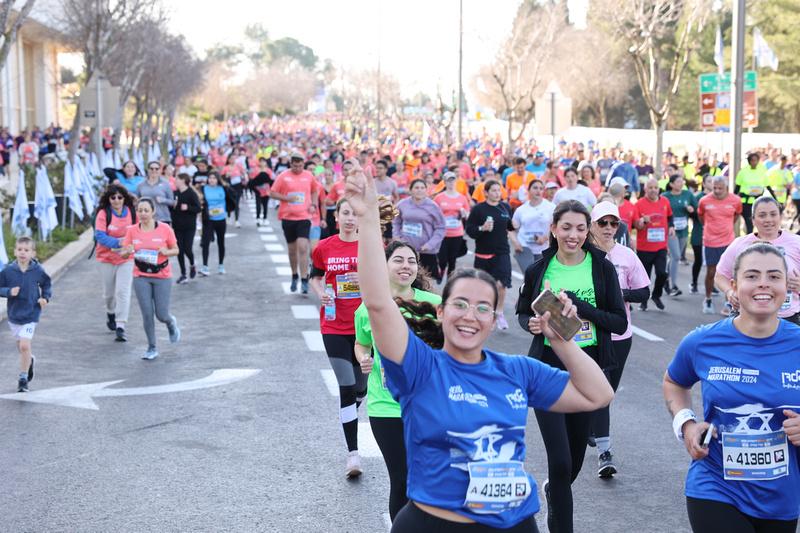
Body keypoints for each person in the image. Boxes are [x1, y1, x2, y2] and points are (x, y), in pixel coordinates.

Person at [345, 158, 614, 532]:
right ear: (441, 313)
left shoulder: (516, 370)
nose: (470, 315)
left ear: (493, 320)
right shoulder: (421, 366)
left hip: (511, 523)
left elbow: (598, 395)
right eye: (459, 304)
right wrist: (368, 217)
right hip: (433, 523)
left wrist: (561, 337)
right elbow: (377, 301)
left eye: (482, 307)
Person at [663, 242, 800, 533]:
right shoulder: (703, 342)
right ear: (735, 286)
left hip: (782, 496)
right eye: (752, 276)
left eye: (774, 276)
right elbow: (674, 382)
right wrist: (686, 424)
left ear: (786, 286)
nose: (763, 284)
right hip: (714, 486)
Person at [515, 200, 627, 533]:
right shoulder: (539, 269)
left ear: (588, 230)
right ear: (554, 229)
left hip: (588, 367)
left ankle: (555, 489)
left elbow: (619, 322)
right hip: (548, 368)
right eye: (566, 227)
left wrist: (581, 308)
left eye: (580, 228)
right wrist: (532, 324)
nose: (573, 235)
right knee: (560, 462)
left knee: (574, 463)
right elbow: (523, 312)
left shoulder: (602, 268)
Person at [354, 241, 441, 521]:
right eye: (399, 260)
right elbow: (361, 343)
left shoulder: (435, 305)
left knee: (429, 479)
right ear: (385, 265)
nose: (406, 266)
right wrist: (363, 358)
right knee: (402, 479)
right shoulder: (370, 308)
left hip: (428, 405)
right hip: (386, 407)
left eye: (412, 261)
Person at [588, 201, 650, 478]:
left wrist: (619, 294)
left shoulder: (626, 255)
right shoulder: (582, 255)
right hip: (588, 335)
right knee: (600, 393)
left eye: (614, 224)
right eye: (603, 223)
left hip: (620, 335)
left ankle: (592, 426)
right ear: (592, 225)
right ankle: (605, 451)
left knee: (607, 392)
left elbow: (644, 292)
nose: (609, 228)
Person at [310, 199, 365, 479]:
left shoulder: (370, 247)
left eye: (355, 214)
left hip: (364, 327)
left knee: (362, 389)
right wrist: (321, 293)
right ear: (337, 217)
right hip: (333, 325)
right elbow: (314, 276)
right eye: (345, 213)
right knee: (346, 387)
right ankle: (353, 455)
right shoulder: (324, 247)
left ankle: (350, 411)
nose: (350, 218)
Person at [714, 196, 800, 325]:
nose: (768, 220)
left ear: (780, 217)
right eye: (762, 215)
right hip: (746, 317)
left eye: (773, 214)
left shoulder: (796, 243)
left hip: (787, 319)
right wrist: (730, 291)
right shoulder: (739, 244)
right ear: (753, 220)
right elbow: (720, 276)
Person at [120, 197, 180, 360]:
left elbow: (176, 249)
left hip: (162, 276)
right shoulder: (132, 230)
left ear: (153, 211)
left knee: (161, 314)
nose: (143, 214)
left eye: (146, 210)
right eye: (140, 210)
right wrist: (128, 250)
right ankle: (152, 347)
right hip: (141, 276)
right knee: (147, 313)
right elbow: (123, 253)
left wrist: (166, 252)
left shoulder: (165, 229)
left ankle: (170, 323)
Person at [0, 237, 52, 392]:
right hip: (14, 314)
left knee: (24, 345)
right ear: (15, 251)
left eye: (26, 250)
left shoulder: (37, 270)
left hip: (31, 312)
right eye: (20, 249)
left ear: (33, 253)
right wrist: (8, 291)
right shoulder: (9, 271)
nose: (23, 252)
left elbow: (46, 284)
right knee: (21, 346)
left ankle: (23, 378)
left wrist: (45, 298)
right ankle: (30, 360)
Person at [466, 180, 514, 330]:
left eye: (498, 190)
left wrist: (517, 228)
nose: (497, 193)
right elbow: (470, 231)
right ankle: (483, 313)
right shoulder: (478, 210)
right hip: (483, 254)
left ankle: (498, 313)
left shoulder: (505, 207)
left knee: (501, 284)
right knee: (483, 287)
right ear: (486, 193)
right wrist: (482, 228)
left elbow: (510, 226)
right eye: (493, 190)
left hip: (502, 252)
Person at [269, 152, 320, 293]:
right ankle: (294, 275)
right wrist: (286, 198)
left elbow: (315, 191)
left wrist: (314, 204)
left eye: (300, 166)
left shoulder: (309, 176)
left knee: (303, 247)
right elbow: (272, 193)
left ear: (303, 164)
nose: (298, 168)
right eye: (295, 166)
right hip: (288, 217)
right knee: (292, 250)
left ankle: (304, 279)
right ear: (290, 164)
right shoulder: (283, 176)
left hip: (304, 217)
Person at [93, 184, 136, 341]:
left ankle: (120, 325)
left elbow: (138, 230)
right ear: (108, 199)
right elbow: (100, 236)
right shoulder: (104, 214)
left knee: (123, 292)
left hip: (126, 258)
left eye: (120, 197)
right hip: (106, 258)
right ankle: (110, 312)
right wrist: (119, 243)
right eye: (113, 197)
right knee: (109, 294)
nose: (116, 200)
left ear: (124, 198)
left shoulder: (131, 212)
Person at [697, 176, 742, 314]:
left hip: (728, 242)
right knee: (711, 272)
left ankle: (728, 302)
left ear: (726, 188)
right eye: (714, 187)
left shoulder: (735, 200)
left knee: (729, 273)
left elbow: (736, 215)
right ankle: (708, 298)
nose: (716, 190)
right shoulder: (704, 201)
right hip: (710, 241)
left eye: (720, 188)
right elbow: (701, 217)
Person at [393, 178, 446, 282]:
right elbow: (396, 221)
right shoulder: (402, 204)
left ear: (426, 190)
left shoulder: (433, 206)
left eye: (422, 188)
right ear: (411, 190)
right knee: (406, 279)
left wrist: (430, 245)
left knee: (426, 282)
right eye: (416, 187)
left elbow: (441, 227)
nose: (419, 190)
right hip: (406, 248)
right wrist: (396, 236)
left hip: (426, 251)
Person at [633, 177, 674, 311]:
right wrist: (643, 221)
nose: (653, 190)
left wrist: (672, 226)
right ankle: (644, 301)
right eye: (650, 188)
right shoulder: (639, 204)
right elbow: (637, 226)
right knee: (645, 277)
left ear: (659, 189)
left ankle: (656, 295)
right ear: (645, 189)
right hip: (644, 247)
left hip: (661, 247)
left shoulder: (665, 202)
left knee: (662, 273)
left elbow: (669, 216)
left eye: (655, 187)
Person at [510, 179, 555, 273]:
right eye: (535, 188)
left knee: (541, 279)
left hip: (543, 249)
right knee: (529, 276)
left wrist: (546, 238)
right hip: (524, 247)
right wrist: (516, 243)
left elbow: (558, 227)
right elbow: (510, 229)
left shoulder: (551, 207)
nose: (538, 191)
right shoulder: (521, 209)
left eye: (541, 188)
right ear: (529, 190)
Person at [664, 174, 697, 296]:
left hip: (683, 230)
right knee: (676, 256)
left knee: (674, 257)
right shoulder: (665, 196)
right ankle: (673, 285)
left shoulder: (687, 195)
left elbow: (696, 208)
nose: (681, 183)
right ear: (671, 184)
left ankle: (665, 277)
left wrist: (691, 209)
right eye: (678, 182)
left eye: (681, 181)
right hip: (671, 230)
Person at [434, 172, 471, 281]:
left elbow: (468, 213)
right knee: (442, 259)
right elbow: (433, 214)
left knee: (452, 259)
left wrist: (464, 214)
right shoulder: (439, 197)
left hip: (457, 233)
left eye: (453, 180)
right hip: (443, 233)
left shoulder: (462, 198)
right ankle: (441, 270)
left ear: (456, 181)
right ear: (444, 182)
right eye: (448, 181)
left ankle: (449, 281)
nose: (451, 183)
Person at [198, 171, 230, 276]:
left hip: (221, 219)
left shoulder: (223, 188)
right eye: (210, 178)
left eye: (214, 178)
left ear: (218, 179)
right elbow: (199, 199)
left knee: (221, 242)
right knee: (205, 243)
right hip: (209, 220)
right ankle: (205, 267)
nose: (212, 180)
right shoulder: (204, 189)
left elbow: (232, 197)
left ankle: (221, 265)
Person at [172, 174, 202, 284]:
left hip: (189, 226)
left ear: (183, 180)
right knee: (179, 250)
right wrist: (173, 207)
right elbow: (172, 209)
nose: (175, 181)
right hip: (177, 226)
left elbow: (198, 208)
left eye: (177, 179)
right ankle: (183, 274)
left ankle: (192, 264)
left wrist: (188, 207)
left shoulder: (191, 193)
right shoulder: (175, 193)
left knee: (187, 249)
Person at [734, 153, 769, 234]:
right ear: (749, 161)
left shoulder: (762, 171)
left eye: (756, 160)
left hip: (757, 202)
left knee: (755, 223)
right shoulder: (743, 172)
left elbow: (767, 185)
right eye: (752, 160)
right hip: (745, 202)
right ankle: (748, 240)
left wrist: (775, 198)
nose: (754, 162)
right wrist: (733, 199)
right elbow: (737, 188)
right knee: (749, 223)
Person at [689, 175, 712, 294]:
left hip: (713, 235)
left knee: (712, 262)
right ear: (703, 183)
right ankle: (694, 283)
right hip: (699, 232)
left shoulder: (717, 198)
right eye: (709, 181)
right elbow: (693, 214)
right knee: (698, 260)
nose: (712, 183)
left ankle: (711, 285)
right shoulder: (697, 197)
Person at [221, 153, 246, 228]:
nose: (232, 160)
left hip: (238, 186)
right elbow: (222, 177)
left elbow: (244, 174)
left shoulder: (239, 167)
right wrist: (226, 176)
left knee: (237, 203)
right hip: (229, 187)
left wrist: (243, 177)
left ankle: (236, 220)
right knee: (229, 201)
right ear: (228, 160)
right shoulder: (225, 168)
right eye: (231, 159)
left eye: (233, 158)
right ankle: (228, 217)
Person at [248, 157, 273, 226]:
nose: (262, 163)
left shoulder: (269, 170)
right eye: (261, 161)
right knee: (258, 205)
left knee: (265, 205)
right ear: (259, 162)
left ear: (266, 163)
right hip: (258, 191)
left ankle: (265, 218)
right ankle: (258, 218)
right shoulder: (256, 170)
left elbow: (271, 180)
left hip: (266, 191)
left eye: (263, 161)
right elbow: (252, 181)